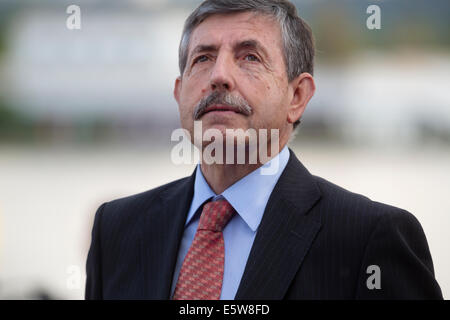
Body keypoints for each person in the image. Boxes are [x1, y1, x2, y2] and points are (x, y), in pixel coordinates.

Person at [85, 0, 443, 299]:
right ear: (179, 93)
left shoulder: (369, 239)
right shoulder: (117, 229)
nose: (219, 75)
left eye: (250, 57)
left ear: (297, 97)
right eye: (203, 58)